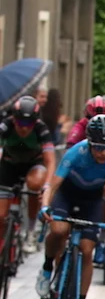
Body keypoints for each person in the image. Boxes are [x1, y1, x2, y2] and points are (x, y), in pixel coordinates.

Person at [36, 115, 105, 299]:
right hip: (66, 195)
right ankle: (47, 267)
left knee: (86, 250)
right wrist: (45, 206)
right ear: (90, 142)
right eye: (99, 147)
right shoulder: (76, 152)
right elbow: (53, 185)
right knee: (59, 230)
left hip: (91, 201)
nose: (103, 153)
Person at [0, 96, 56, 252]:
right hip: (9, 165)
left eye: (29, 123)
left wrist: (47, 185)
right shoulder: (5, 126)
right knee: (1, 216)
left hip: (34, 165)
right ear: (14, 119)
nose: (24, 128)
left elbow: (50, 161)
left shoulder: (41, 129)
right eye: (20, 122)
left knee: (35, 184)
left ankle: (30, 230)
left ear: (35, 122)